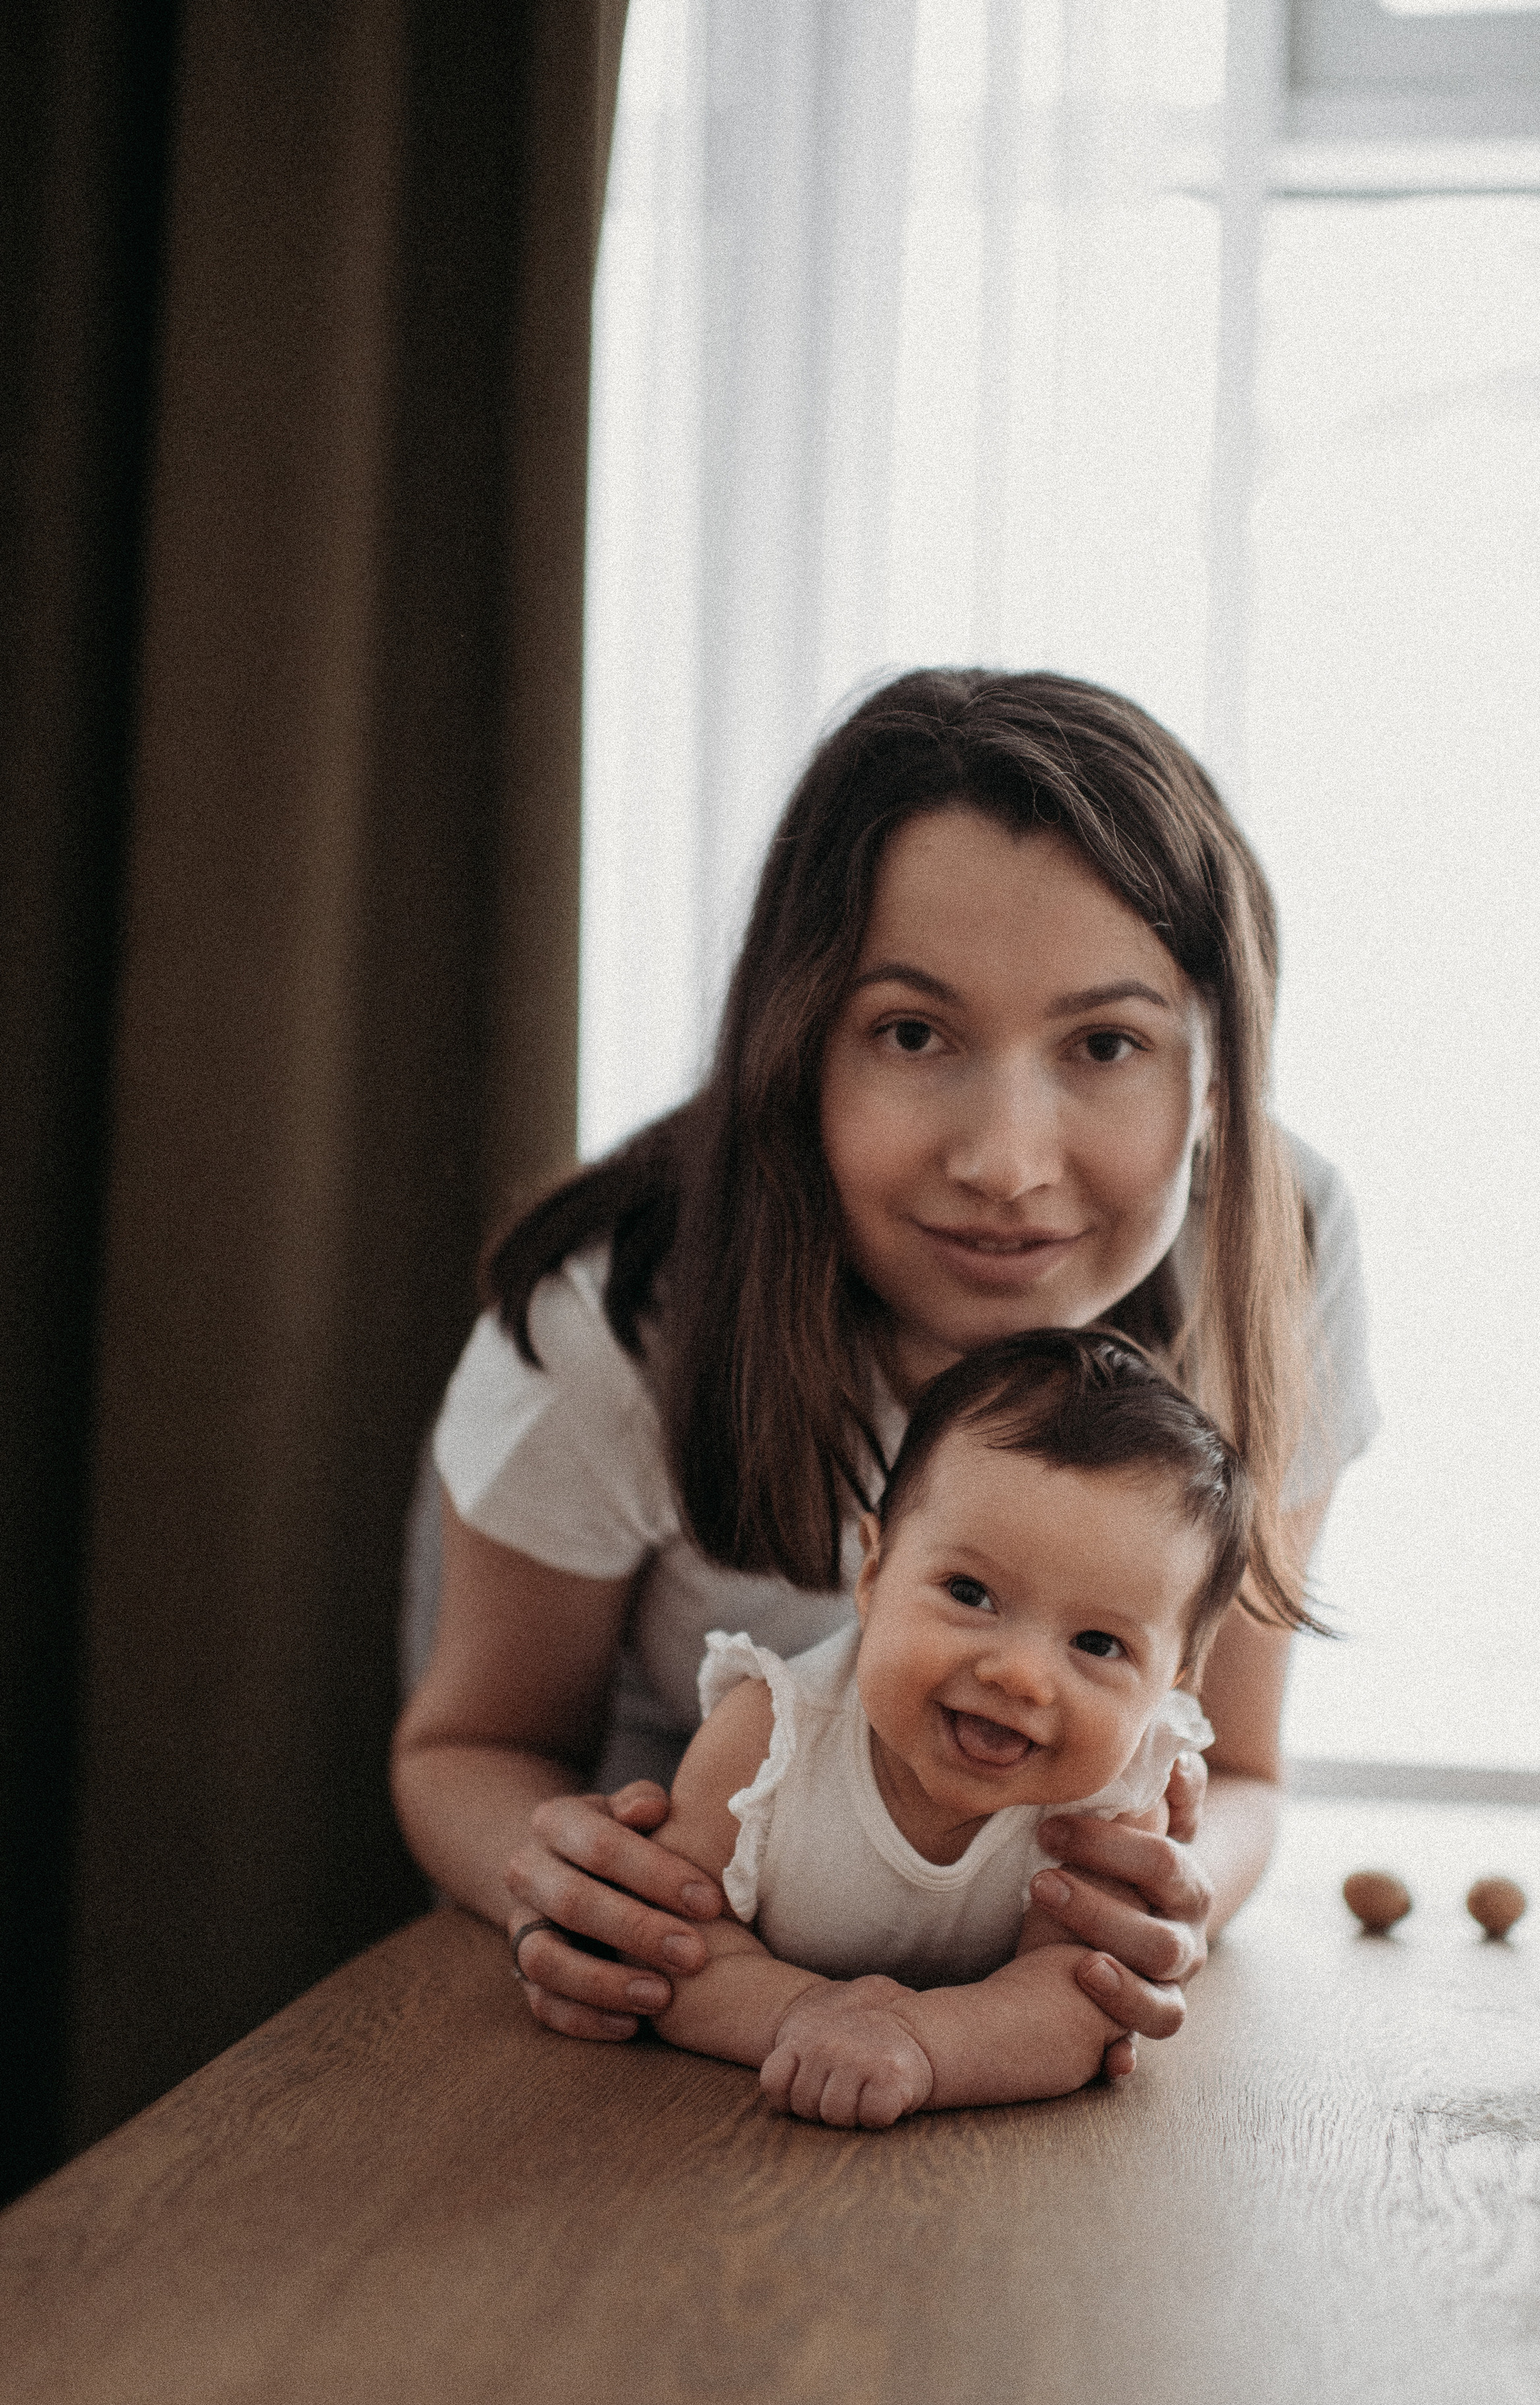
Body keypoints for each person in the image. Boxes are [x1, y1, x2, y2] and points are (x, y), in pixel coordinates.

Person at [391, 668, 1378, 2075]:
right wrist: (554, 1877)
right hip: (665, 2009)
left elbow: (1240, 1776)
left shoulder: (1275, 1248)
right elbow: (468, 1749)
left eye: (1104, 1045)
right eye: (913, 1034)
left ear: (1216, 1079)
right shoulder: (615, 1318)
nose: (1006, 1163)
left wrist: (1170, 1900)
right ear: (796, 1051)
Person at [650, 1330, 1253, 2128]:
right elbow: (675, 1949)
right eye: (970, 1593)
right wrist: (799, 2017)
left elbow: (1072, 2002)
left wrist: (921, 2047)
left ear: (1167, 1684)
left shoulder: (1113, 1796)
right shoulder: (769, 1735)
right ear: (874, 1573)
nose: (1020, 1675)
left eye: (1098, 1644)